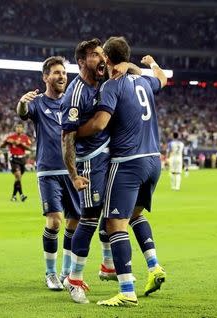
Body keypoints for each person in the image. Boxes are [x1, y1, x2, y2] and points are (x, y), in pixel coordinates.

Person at [76, 36, 167, 307]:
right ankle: (154, 266)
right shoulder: (145, 82)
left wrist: (72, 132)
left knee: (114, 224)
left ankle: (127, 290)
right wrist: (151, 63)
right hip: (154, 160)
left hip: (128, 162)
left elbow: (100, 123)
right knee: (135, 216)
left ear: (106, 57)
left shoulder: (113, 86)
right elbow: (162, 79)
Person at [61, 38, 145, 304]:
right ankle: (73, 279)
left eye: (102, 54)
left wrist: (126, 65)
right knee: (89, 218)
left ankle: (108, 266)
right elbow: (67, 138)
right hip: (89, 162)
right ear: (81, 61)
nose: (101, 59)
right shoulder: (75, 93)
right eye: (94, 55)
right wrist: (74, 175)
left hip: (110, 156)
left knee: (111, 214)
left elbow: (137, 72)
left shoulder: (104, 79)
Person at [17, 56, 81, 291]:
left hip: (72, 170)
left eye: (63, 72)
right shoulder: (37, 102)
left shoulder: (72, 103)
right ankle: (50, 273)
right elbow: (23, 112)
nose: (61, 76)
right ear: (45, 77)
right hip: (48, 170)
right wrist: (23, 102)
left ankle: (66, 271)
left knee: (75, 221)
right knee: (54, 222)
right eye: (56, 72)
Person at [0, 123, 32, 202]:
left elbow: (29, 148)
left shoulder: (25, 138)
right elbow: (1, 146)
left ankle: (14, 196)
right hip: (14, 159)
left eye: (20, 127)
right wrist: (6, 142)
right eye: (17, 127)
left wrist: (21, 144)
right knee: (18, 176)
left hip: (22, 159)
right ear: (15, 128)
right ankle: (21, 195)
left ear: (22, 129)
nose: (18, 129)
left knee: (18, 178)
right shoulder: (11, 137)